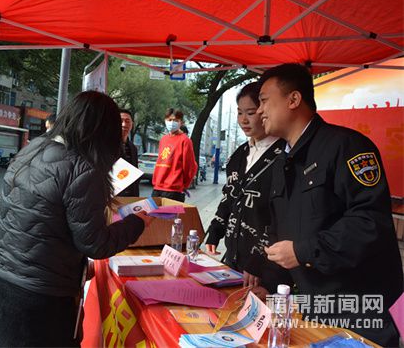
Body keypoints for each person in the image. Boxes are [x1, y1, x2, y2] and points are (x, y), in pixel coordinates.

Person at [0, 91, 153, 348]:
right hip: (43, 298)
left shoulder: (33, 148)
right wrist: (137, 222)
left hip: (4, 279)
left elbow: (39, 224)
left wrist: (77, 266)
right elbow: (95, 243)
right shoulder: (82, 168)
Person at [257, 63, 402, 346]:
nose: (260, 111)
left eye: (263, 101)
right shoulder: (281, 161)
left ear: (294, 99)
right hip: (314, 307)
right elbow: (282, 233)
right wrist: (269, 281)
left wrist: (302, 251)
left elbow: (370, 221)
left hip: (358, 310)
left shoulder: (347, 147)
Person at [204, 82, 289, 294]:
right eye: (240, 113)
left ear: (264, 110)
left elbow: (283, 216)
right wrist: (215, 231)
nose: (244, 120)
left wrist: (261, 259)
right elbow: (229, 197)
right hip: (235, 255)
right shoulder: (239, 154)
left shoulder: (284, 155)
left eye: (250, 112)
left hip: (268, 262)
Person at [152, 108, 197, 202]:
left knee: (170, 217)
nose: (172, 122)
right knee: (153, 216)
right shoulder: (163, 139)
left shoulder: (185, 141)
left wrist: (183, 185)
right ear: (165, 120)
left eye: (176, 120)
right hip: (157, 188)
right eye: (169, 120)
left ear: (181, 122)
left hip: (173, 191)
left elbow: (190, 167)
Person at [118, 109, 139, 197]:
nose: (124, 124)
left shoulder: (133, 148)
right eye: (121, 121)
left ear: (132, 124)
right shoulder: (106, 145)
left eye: (127, 121)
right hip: (113, 197)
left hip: (130, 196)